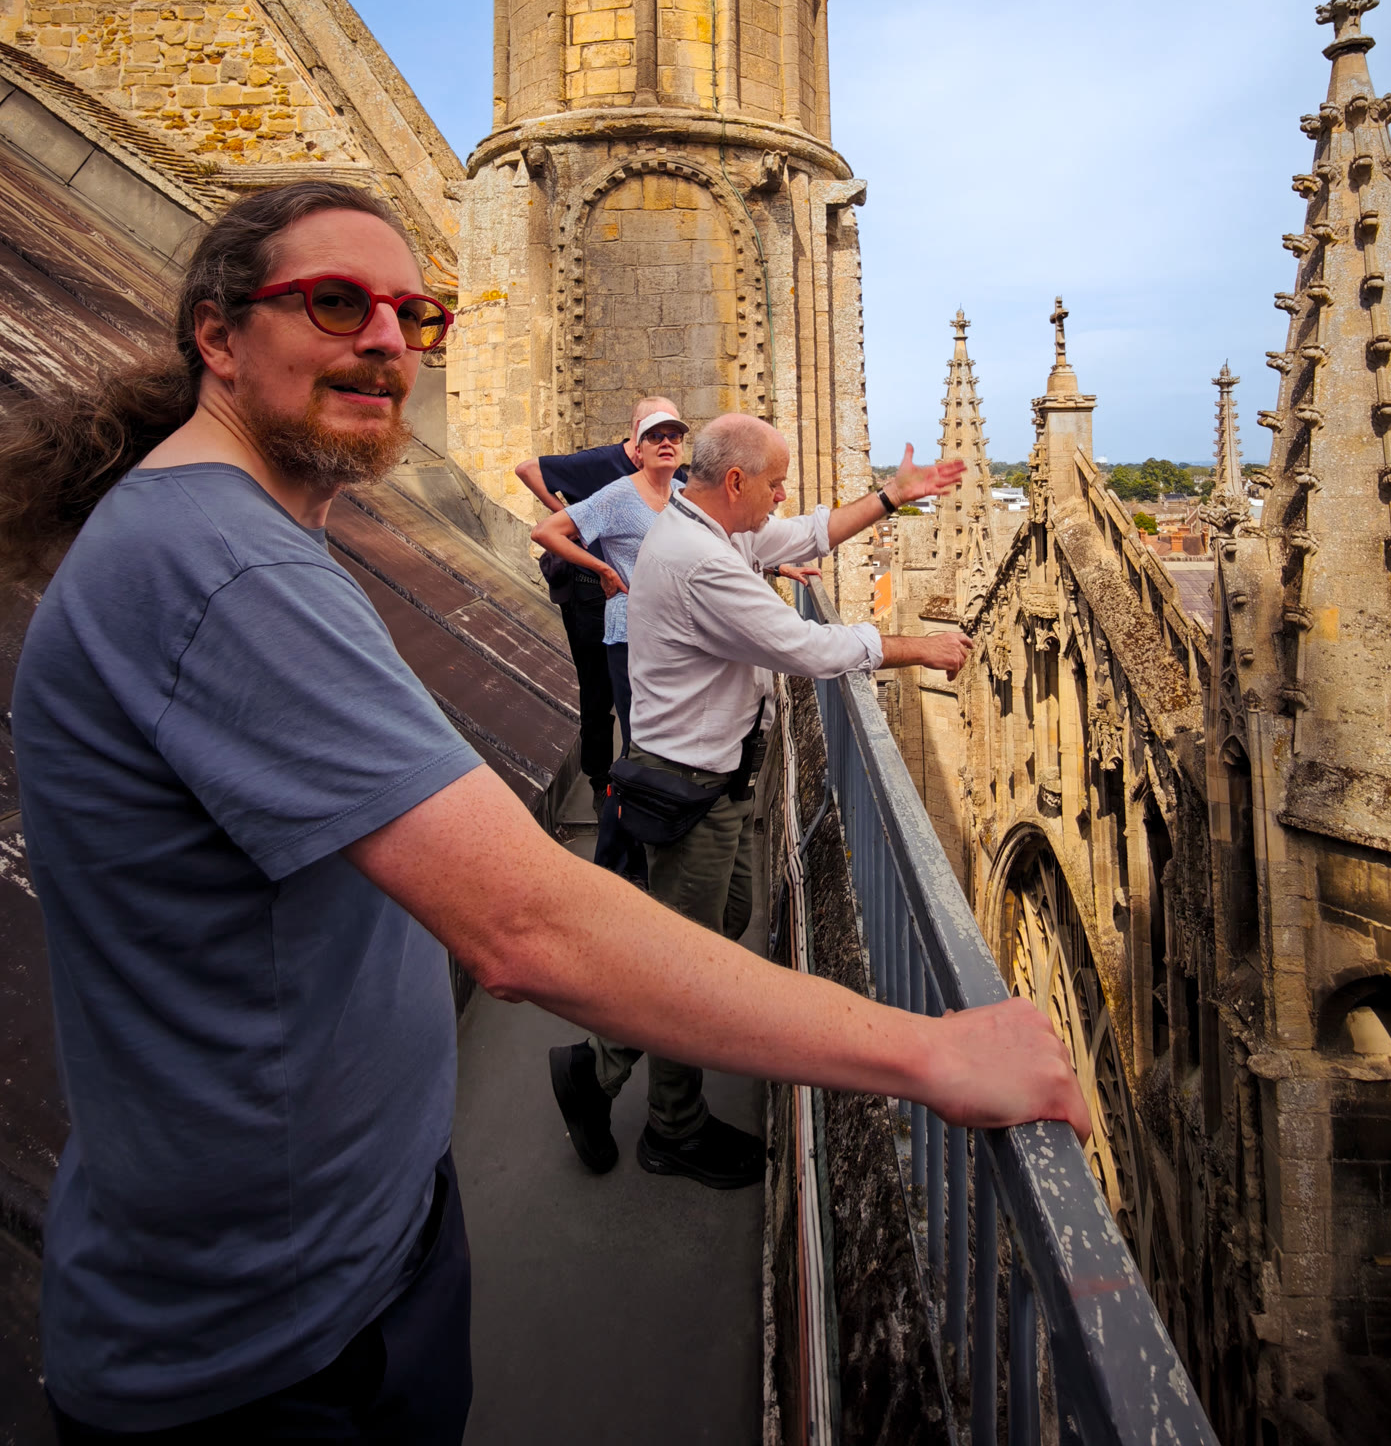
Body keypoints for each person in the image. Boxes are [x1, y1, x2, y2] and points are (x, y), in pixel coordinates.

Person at [6, 182, 1089, 1443]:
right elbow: (525, 926)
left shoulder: (216, 530)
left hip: (332, 1264)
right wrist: (926, 1052)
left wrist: (885, 500)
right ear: (217, 334)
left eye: (417, 315)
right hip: (266, 1346)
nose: (388, 341)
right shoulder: (223, 564)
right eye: (336, 302)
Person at [548, 414, 992, 1193]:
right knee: (689, 973)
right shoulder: (698, 561)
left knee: (716, 930)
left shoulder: (707, 527)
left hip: (711, 784)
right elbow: (806, 649)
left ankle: (600, 1062)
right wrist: (917, 648)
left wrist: (891, 496)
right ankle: (668, 1125)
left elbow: (804, 534)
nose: (782, 496)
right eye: (775, 483)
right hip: (688, 790)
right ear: (735, 482)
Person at [530, 404, 688, 881]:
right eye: (655, 436)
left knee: (661, 743)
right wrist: (600, 565)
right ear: (637, 447)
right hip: (628, 633)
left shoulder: (684, 496)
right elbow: (547, 530)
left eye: (674, 436)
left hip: (672, 638)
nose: (666, 442)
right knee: (640, 745)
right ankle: (616, 861)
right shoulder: (619, 493)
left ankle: (645, 850)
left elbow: (727, 543)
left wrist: (776, 564)